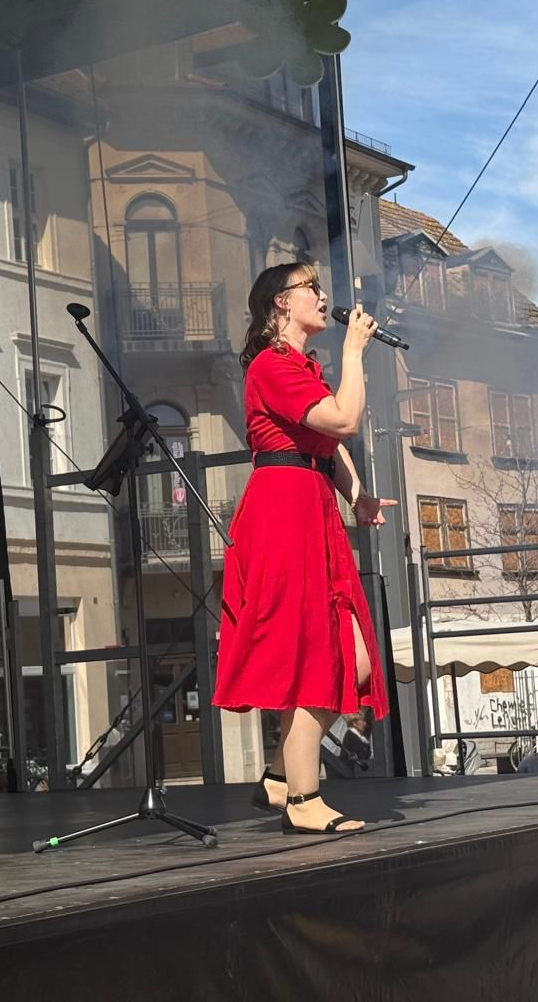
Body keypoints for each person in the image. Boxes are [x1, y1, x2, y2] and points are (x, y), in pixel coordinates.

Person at [216, 263, 392, 835]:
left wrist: (357, 496)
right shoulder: (271, 366)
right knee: (317, 652)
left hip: (309, 503)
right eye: (311, 288)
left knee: (348, 655)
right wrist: (355, 352)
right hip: (283, 510)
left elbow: (327, 444)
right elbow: (342, 420)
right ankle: (302, 799)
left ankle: (278, 778)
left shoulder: (299, 367)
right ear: (281, 303)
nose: (322, 296)